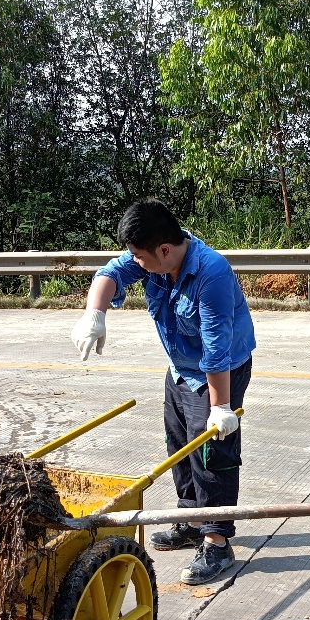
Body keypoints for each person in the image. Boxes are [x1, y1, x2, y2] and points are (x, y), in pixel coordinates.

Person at [71, 199, 256, 585]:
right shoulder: (154, 257)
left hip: (218, 372)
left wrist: (221, 407)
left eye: (139, 257)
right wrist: (95, 314)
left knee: (212, 453)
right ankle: (191, 521)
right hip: (179, 369)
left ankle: (217, 541)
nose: (135, 262)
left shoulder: (212, 275)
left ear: (165, 250)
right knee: (179, 448)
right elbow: (110, 274)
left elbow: (216, 349)